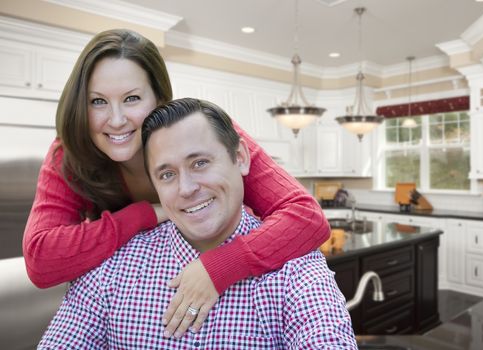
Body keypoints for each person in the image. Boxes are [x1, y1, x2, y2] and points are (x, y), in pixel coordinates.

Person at [23, 29, 329, 336]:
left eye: (131, 98)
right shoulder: (71, 154)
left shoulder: (203, 133)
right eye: (97, 101)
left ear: (159, 99)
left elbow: (307, 217)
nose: (116, 120)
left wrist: (220, 266)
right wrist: (149, 213)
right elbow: (40, 260)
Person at [38, 98, 356, 349]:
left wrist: (223, 266)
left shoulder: (298, 270)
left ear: (241, 158)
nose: (186, 188)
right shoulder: (113, 266)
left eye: (200, 163)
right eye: (167, 174)